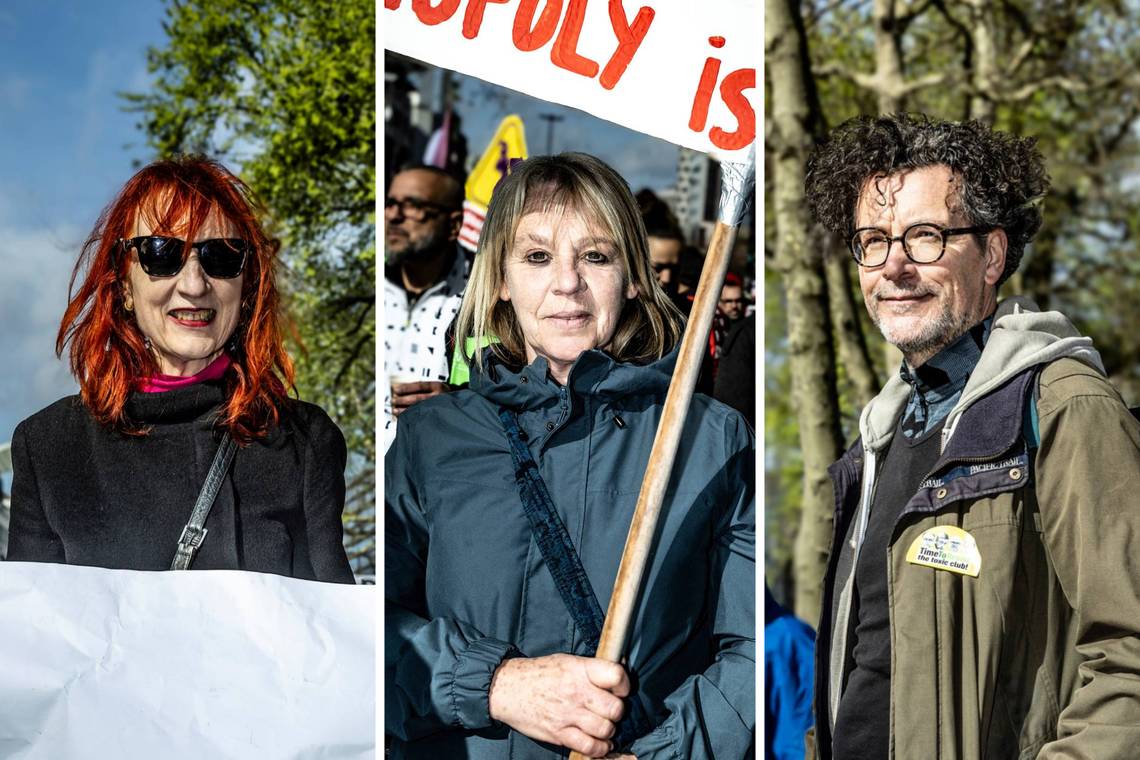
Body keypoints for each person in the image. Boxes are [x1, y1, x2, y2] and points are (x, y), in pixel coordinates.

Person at [386, 153, 755, 759]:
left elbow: (748, 648)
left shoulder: (712, 440)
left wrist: (664, 754)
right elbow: (373, 629)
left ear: (634, 277)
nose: (566, 283)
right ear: (501, 279)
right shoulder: (430, 438)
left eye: (596, 256)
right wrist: (496, 684)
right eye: (536, 257)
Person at [803, 113, 1140, 758]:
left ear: (992, 254)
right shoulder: (875, 444)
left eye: (926, 236)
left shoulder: (1064, 409)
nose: (893, 265)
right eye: (872, 240)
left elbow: (1129, 657)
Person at [7, 157, 354, 583]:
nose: (194, 284)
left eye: (221, 256)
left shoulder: (304, 443)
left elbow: (332, 635)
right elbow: (33, 635)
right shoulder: (48, 448)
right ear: (123, 284)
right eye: (161, 253)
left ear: (246, 287)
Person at [383, 164, 467, 442]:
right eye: (391, 203)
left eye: (413, 206)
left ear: (453, 224)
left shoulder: (489, 296)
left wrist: (458, 402)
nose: (394, 216)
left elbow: (520, 391)